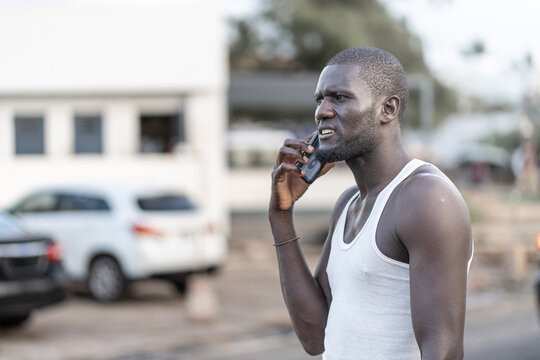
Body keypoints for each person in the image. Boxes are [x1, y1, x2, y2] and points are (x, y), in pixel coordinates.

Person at [269, 47, 473, 360]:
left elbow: (443, 352)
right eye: (319, 99)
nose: (322, 111)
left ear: (387, 109)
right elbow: (315, 337)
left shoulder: (426, 199)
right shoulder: (349, 204)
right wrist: (281, 215)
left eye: (339, 97)